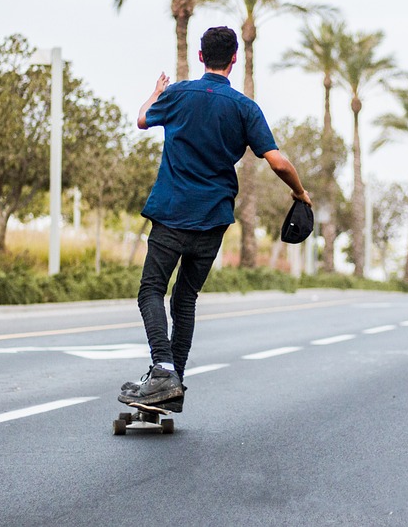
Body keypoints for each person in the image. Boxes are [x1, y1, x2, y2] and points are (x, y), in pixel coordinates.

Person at [118, 26, 311, 413]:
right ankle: (175, 383)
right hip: (212, 219)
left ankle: (162, 370)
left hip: (172, 213)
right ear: (235, 59)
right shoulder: (244, 108)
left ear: (201, 56)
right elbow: (276, 160)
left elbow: (141, 120)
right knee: (185, 299)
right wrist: (300, 193)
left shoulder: (177, 94)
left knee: (151, 290)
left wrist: (156, 92)